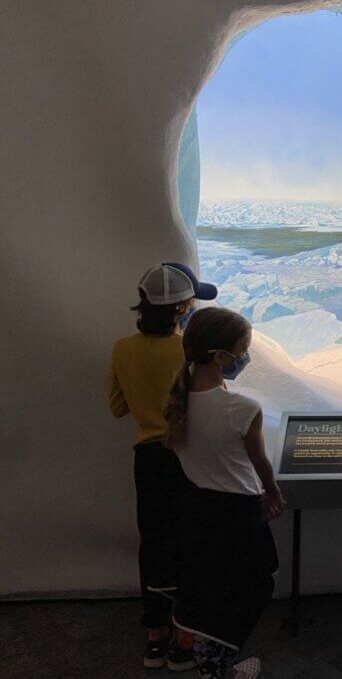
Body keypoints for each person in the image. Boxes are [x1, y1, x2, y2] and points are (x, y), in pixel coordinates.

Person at [164, 307, 287, 679]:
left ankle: (209, 662)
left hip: (197, 509)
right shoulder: (242, 409)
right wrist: (273, 493)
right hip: (238, 514)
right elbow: (260, 464)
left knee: (208, 589)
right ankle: (219, 669)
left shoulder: (177, 404)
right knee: (254, 583)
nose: (245, 358)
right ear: (221, 357)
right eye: (242, 350)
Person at [108, 263, 217, 670]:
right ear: (178, 310)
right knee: (191, 545)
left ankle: (155, 637)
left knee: (153, 543)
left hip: (148, 459)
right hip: (187, 457)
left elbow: (117, 408)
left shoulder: (122, 349)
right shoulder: (186, 352)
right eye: (190, 303)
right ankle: (185, 640)